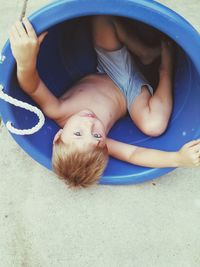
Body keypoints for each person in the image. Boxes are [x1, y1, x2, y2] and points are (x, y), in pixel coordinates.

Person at [9, 16, 200, 188]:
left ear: (58, 136)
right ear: (104, 147)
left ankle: (144, 52)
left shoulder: (57, 110)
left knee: (102, 20)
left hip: (110, 68)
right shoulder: (104, 144)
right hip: (131, 95)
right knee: (154, 125)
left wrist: (26, 61)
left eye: (78, 133)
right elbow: (134, 154)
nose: (90, 124)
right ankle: (166, 68)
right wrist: (177, 158)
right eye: (97, 137)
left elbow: (32, 87)